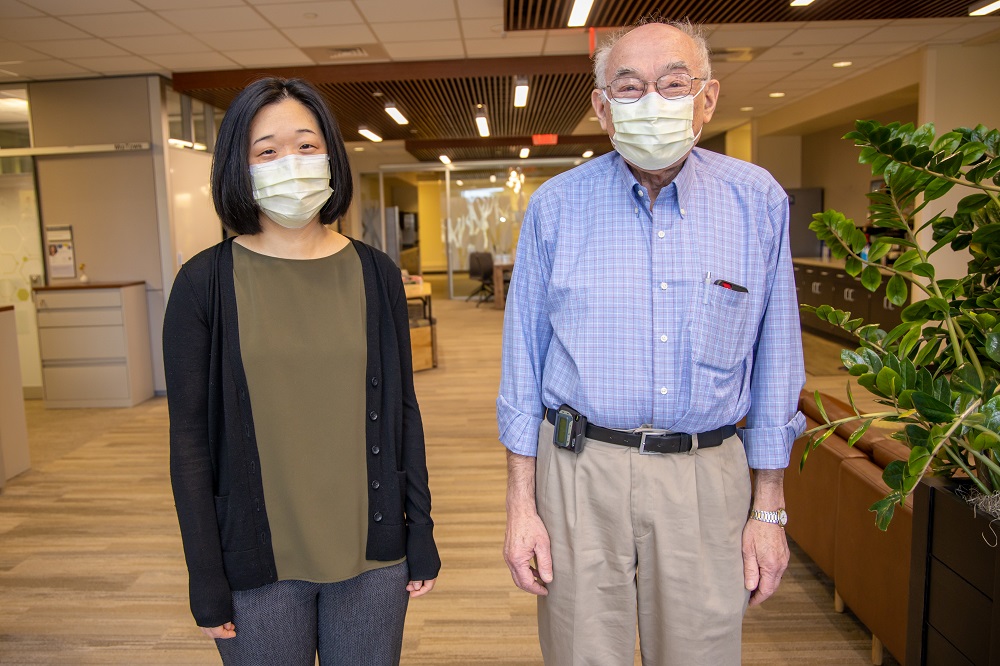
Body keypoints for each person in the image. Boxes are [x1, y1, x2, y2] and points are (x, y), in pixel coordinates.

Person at [497, 20, 805, 666]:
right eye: (629, 88)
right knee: (582, 652)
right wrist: (521, 506)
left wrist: (769, 510)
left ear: (708, 98)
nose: (653, 103)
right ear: (603, 110)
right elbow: (521, 371)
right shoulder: (557, 208)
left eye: (673, 84)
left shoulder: (757, 203)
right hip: (580, 472)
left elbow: (778, 363)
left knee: (701, 654)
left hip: (706, 475)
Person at [163, 77, 440, 666]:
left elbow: (403, 415)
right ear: (239, 168)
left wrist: (421, 531)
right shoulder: (203, 284)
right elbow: (189, 443)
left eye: (306, 145)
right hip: (257, 567)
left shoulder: (376, 274)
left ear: (332, 155)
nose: (290, 162)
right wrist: (205, 576)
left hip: (372, 558)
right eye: (266, 151)